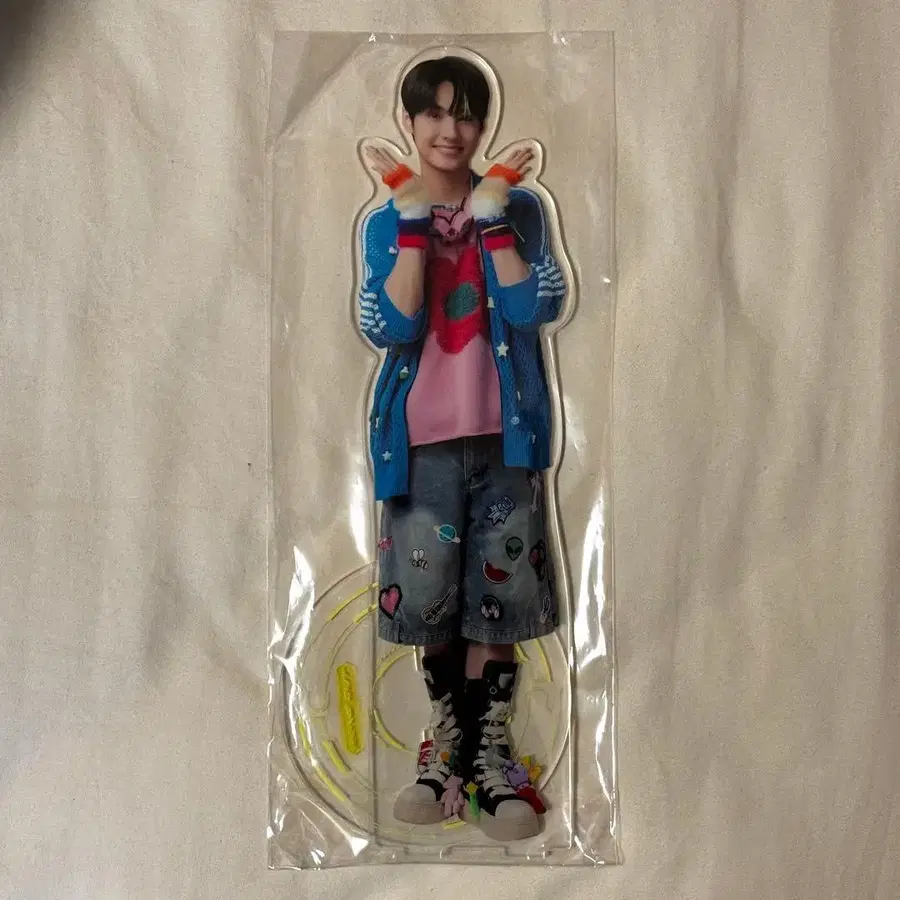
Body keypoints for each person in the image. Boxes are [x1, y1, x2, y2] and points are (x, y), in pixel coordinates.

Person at [358, 54, 565, 843]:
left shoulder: (521, 209)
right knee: (429, 602)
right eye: (435, 113)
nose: (451, 129)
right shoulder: (386, 223)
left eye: (466, 113)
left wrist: (492, 213)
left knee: (498, 604)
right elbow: (394, 324)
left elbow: (531, 305)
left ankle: (489, 758)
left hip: (507, 442)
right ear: (410, 121)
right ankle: (446, 748)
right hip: (419, 449)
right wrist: (413, 218)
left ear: (484, 123)